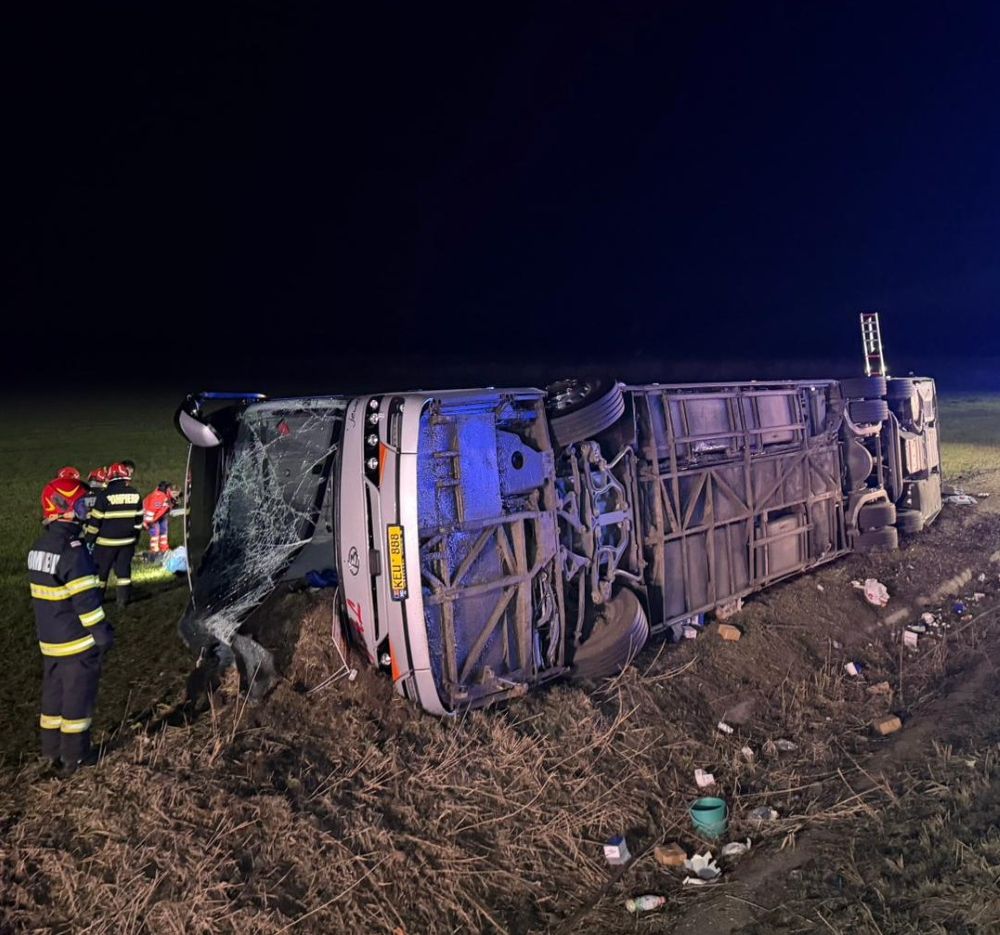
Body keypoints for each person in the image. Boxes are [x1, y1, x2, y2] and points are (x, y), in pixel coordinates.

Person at [29, 478, 114, 773]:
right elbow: (86, 602)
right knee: (77, 700)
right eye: (81, 504)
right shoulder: (74, 552)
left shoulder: (39, 547)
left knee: (53, 696)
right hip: (77, 644)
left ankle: (51, 750)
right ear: (63, 507)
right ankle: (75, 756)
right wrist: (102, 635)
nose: (86, 510)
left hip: (50, 642)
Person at [83, 461, 143, 608]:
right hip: (127, 542)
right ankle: (123, 601)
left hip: (105, 543)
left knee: (101, 573)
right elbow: (138, 521)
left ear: (109, 478)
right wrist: (135, 538)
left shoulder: (104, 496)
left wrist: (89, 539)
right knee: (124, 572)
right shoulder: (135, 494)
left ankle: (97, 600)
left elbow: (95, 522)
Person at [142, 481, 178, 557]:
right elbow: (151, 510)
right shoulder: (159, 496)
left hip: (159, 515)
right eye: (174, 493)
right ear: (168, 490)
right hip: (150, 516)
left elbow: (164, 509)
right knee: (155, 531)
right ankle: (155, 551)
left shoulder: (167, 498)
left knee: (163, 529)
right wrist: (147, 521)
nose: (176, 496)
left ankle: (164, 549)